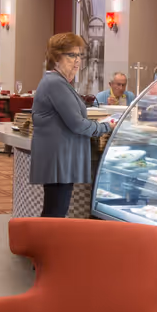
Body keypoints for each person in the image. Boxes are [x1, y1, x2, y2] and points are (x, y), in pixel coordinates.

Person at [32, 32, 115, 217]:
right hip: (58, 159)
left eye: (79, 55)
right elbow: (77, 124)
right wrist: (106, 126)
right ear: (55, 57)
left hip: (59, 158)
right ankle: (45, 246)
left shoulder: (58, 82)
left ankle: (45, 245)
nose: (77, 60)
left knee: (55, 211)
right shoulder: (55, 83)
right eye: (71, 55)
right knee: (55, 213)